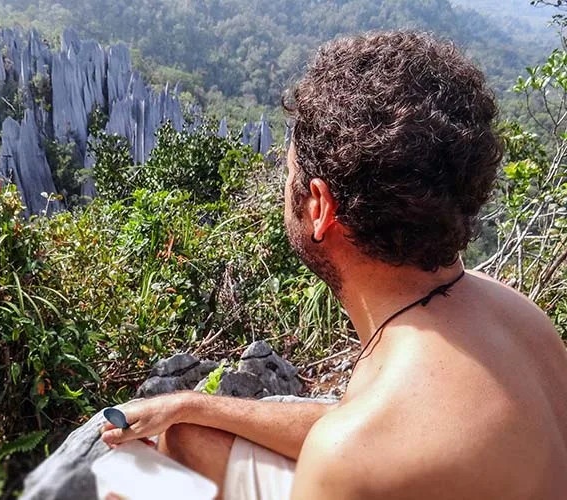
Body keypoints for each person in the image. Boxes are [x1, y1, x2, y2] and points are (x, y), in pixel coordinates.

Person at [100, 31, 567, 499]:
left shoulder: (349, 458)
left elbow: (358, 444)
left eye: (288, 175)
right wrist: (189, 406)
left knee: (130, 484)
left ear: (321, 207)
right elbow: (370, 426)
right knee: (188, 439)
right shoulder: (516, 316)